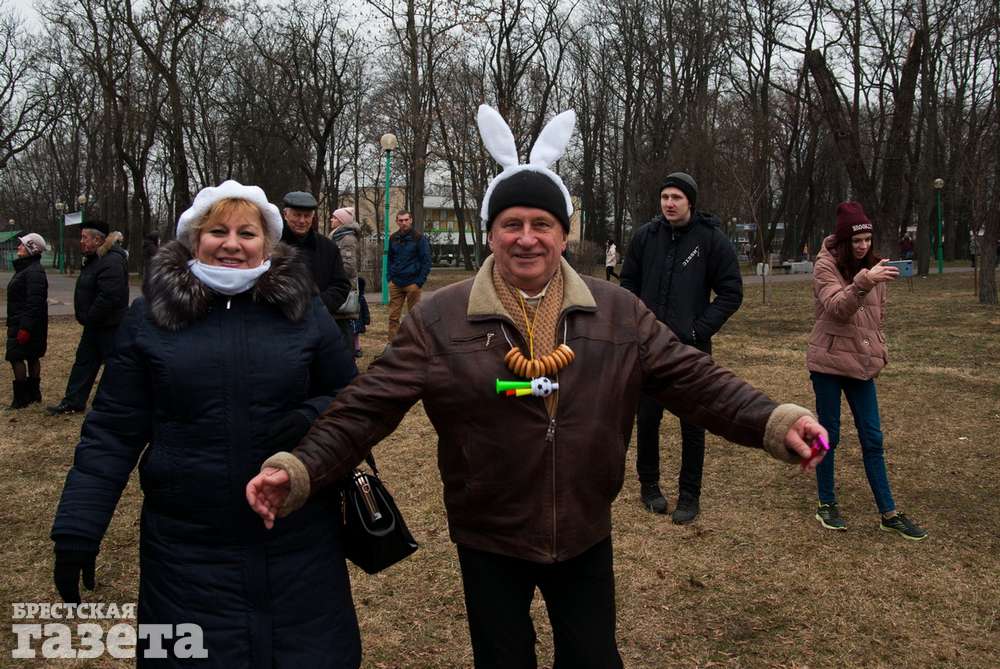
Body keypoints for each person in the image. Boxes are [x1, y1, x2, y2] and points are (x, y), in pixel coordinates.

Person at [246, 106, 828, 668]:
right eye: (512, 225)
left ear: (564, 234)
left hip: (582, 528)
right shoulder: (440, 319)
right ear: (490, 234)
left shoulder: (618, 311)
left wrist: (773, 421)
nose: (527, 238)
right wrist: (301, 468)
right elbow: (365, 407)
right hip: (488, 533)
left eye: (542, 224)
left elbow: (695, 379)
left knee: (593, 659)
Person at [50, 180, 362, 667]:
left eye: (247, 233)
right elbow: (112, 429)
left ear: (267, 243)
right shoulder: (151, 316)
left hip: (299, 541)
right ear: (195, 238)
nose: (232, 244)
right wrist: (78, 527)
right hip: (187, 548)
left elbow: (351, 401)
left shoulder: (304, 309)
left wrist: (306, 417)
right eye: (218, 231)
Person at [620, 172, 743, 523]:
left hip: (691, 350)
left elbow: (731, 292)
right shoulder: (645, 237)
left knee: (693, 422)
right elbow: (628, 284)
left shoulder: (711, 240)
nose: (669, 203)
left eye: (676, 197)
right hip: (648, 348)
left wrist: (697, 329)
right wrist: (637, 324)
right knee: (647, 419)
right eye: (665, 197)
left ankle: (690, 495)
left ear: (690, 201)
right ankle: (649, 487)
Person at [807, 201, 927, 541]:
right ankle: (826, 503)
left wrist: (878, 348)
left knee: (873, 438)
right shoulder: (825, 265)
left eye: (867, 240)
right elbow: (837, 308)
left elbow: (877, 317)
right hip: (828, 362)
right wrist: (864, 282)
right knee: (829, 435)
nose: (862, 246)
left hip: (860, 364)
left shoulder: (875, 267)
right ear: (844, 241)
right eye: (857, 241)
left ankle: (889, 513)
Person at [47, 222, 129, 415]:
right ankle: (73, 402)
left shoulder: (111, 261)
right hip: (95, 325)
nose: (81, 241)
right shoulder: (95, 259)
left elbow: (109, 296)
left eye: (85, 237)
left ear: (98, 239)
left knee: (116, 368)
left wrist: (90, 316)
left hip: (110, 326)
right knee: (84, 363)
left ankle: (117, 406)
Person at [280, 190, 351, 319]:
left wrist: (317, 306)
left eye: (307, 216)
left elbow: (341, 286)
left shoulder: (328, 248)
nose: (302, 220)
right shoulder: (270, 246)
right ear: (285, 214)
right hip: (278, 320)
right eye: (297, 215)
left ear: (313, 217)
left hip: (318, 319)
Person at [5, 233, 49, 409]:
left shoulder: (33, 272)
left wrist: (25, 328)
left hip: (25, 323)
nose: (18, 247)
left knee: (16, 356)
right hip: (25, 321)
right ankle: (33, 395)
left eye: (22, 245)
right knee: (31, 355)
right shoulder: (27, 269)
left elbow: (34, 302)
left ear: (31, 249)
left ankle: (22, 398)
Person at [386, 210, 431, 347]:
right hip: (396, 283)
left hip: (413, 283)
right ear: (397, 222)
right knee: (393, 316)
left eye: (406, 220)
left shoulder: (419, 238)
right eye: (401, 220)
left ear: (411, 220)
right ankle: (393, 345)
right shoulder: (393, 238)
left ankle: (414, 344)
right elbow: (390, 259)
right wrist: (390, 277)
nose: (404, 223)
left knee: (414, 316)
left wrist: (419, 282)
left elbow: (426, 261)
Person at [330, 207, 363, 354]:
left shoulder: (347, 239)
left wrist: (330, 272)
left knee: (343, 323)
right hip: (338, 285)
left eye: (335, 218)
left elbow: (349, 267)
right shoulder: (338, 236)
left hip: (344, 287)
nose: (331, 219)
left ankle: (348, 354)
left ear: (341, 221)